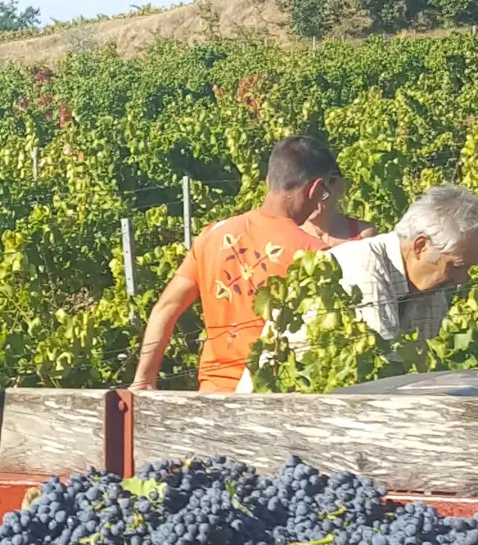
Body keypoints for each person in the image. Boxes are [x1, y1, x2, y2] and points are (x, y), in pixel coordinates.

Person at [131, 136, 340, 392]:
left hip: (211, 396)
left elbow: (166, 307)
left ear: (268, 182)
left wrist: (144, 379)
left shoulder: (212, 236)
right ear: (315, 189)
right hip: (272, 397)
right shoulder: (313, 255)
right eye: (324, 193)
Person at [329, 184, 478, 341]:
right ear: (421, 246)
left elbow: (432, 361)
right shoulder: (365, 269)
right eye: (457, 266)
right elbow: (386, 364)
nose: (461, 280)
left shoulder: (429, 287)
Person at [302, 174, 379, 248]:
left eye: (318, 192)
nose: (310, 200)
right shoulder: (292, 237)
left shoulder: (365, 234)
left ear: (338, 186)